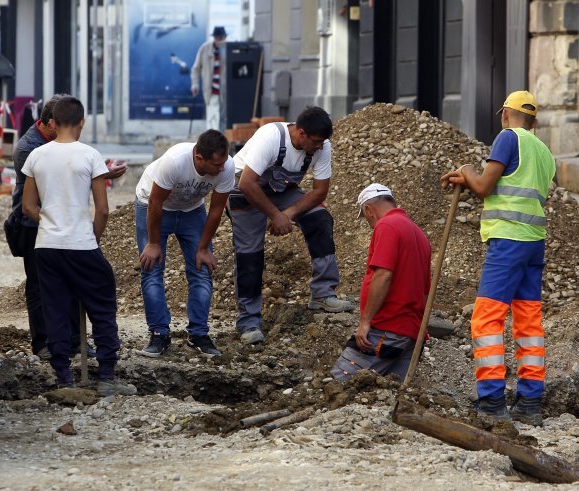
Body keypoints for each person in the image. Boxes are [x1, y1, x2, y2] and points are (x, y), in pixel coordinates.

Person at [440, 90, 556, 426]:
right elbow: (514, 186)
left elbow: (487, 187)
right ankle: (530, 403)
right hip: (534, 242)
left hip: (508, 240)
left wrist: (466, 170)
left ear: (506, 113)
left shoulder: (508, 138)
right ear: (534, 120)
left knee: (486, 319)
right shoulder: (545, 152)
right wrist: (471, 178)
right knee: (528, 320)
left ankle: (491, 400)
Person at [21, 96, 136, 396]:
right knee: (102, 307)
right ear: (82, 122)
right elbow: (103, 210)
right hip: (81, 246)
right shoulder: (90, 155)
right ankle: (107, 378)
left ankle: (64, 379)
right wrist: (92, 237)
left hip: (46, 247)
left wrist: (48, 221)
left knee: (55, 309)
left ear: (53, 123)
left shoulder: (36, 156)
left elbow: (27, 206)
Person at [228, 106, 354, 345]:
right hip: (244, 191)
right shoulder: (271, 137)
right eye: (316, 142)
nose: (319, 147)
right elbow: (247, 183)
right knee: (249, 253)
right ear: (302, 133)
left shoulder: (321, 146)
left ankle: (323, 293)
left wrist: (287, 214)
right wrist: (275, 215)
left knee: (320, 218)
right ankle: (249, 321)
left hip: (281, 191)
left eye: (322, 143)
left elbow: (320, 191)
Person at [135, 130, 236, 358]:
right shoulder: (175, 162)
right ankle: (159, 333)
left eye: (223, 163)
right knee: (152, 268)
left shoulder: (227, 165)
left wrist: (203, 247)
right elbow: (155, 202)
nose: (222, 169)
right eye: (216, 164)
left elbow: (217, 209)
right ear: (199, 158)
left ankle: (198, 334)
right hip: (151, 205)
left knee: (202, 270)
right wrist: (152, 243)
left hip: (192, 211)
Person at [330, 184, 431, 381]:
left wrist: (365, 321)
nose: (369, 222)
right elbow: (425, 290)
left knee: (339, 381)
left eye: (365, 217)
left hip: (387, 328)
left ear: (369, 209)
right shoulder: (419, 235)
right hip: (410, 334)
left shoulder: (387, 226)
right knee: (390, 392)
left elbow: (383, 275)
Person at [191, 26, 227, 130]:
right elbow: (196, 69)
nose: (219, 41)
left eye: (222, 38)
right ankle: (213, 142)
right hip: (211, 91)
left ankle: (222, 141)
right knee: (212, 118)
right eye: (218, 38)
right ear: (214, 38)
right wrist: (195, 84)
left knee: (224, 118)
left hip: (225, 91)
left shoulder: (227, 49)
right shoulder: (205, 49)